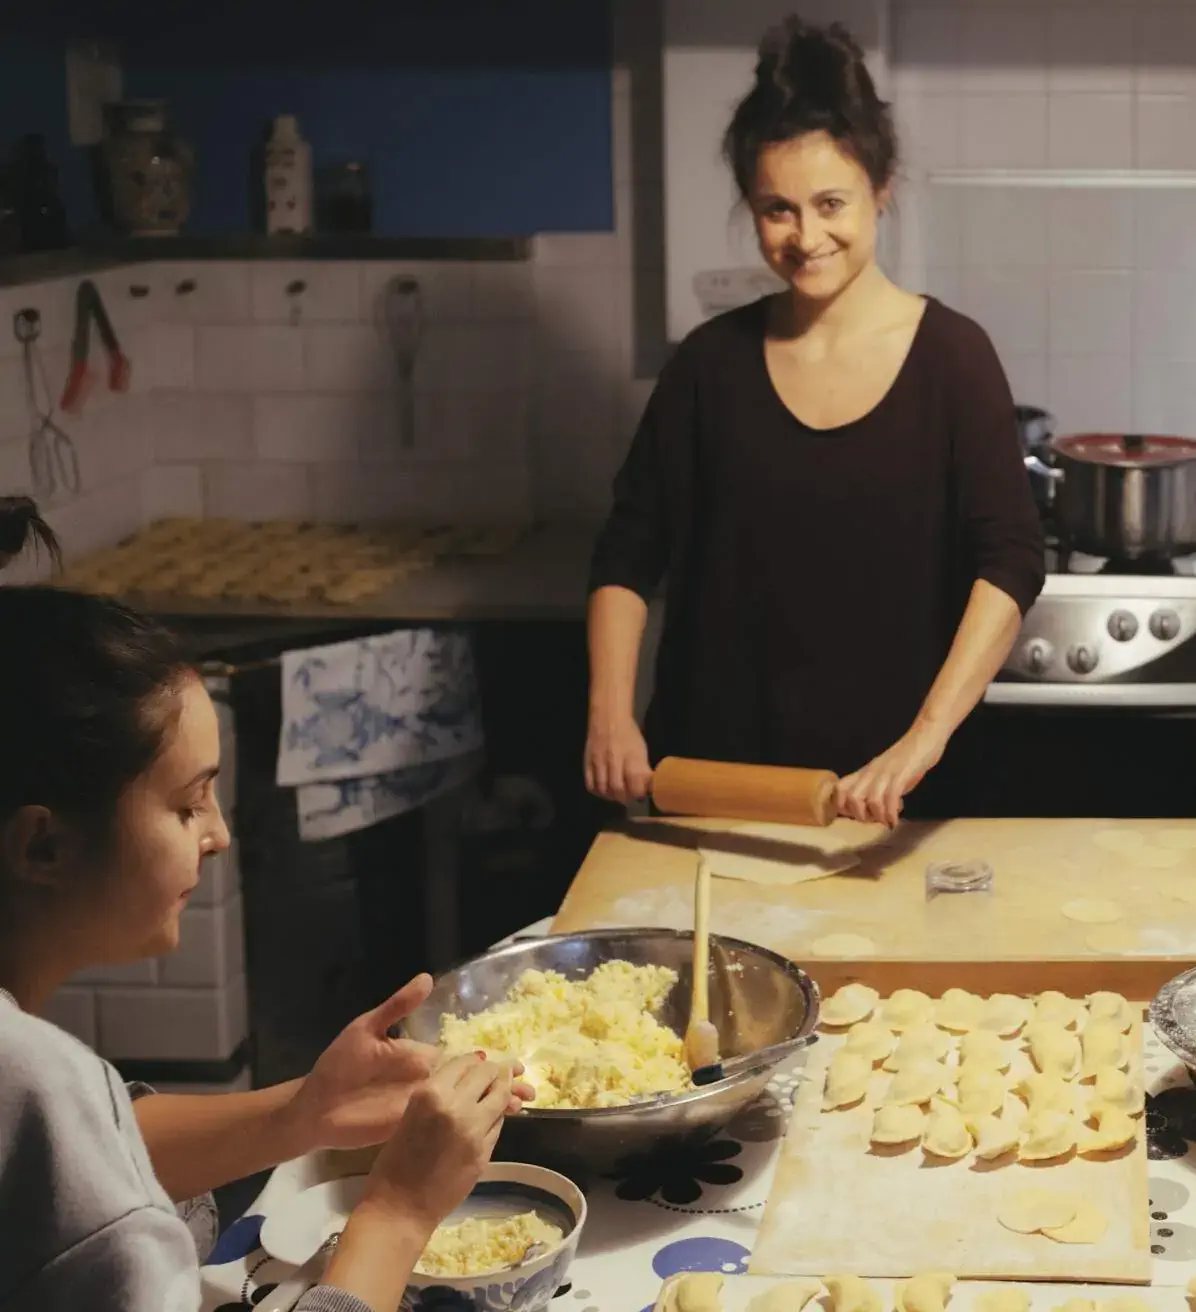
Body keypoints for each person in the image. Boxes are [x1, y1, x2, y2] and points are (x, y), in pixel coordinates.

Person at [0, 498, 531, 1312]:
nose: (217, 835)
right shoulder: (35, 1078)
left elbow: (75, 1167)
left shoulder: (32, 1079)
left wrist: (308, 1110)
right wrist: (396, 1212)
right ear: (42, 846)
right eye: (187, 805)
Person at [583, 17, 1045, 827]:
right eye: (777, 210)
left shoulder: (955, 360)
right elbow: (629, 548)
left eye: (830, 202)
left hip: (893, 798)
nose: (805, 237)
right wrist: (611, 712)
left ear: (882, 186)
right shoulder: (707, 366)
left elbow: (1008, 563)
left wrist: (924, 739)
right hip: (716, 793)